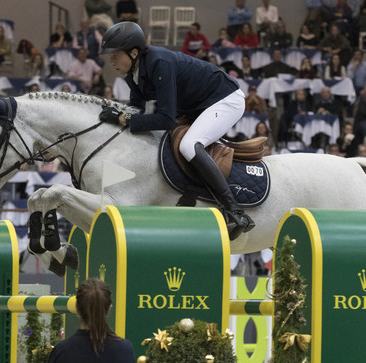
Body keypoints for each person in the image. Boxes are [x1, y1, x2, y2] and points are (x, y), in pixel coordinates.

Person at [99, 21, 254, 239]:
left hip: (225, 100)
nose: (111, 60)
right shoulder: (132, 73)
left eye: (115, 54)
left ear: (134, 52)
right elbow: (136, 108)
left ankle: (235, 212)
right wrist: (115, 115)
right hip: (199, 105)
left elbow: (165, 118)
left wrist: (124, 119)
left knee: (189, 145)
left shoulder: (159, 62)